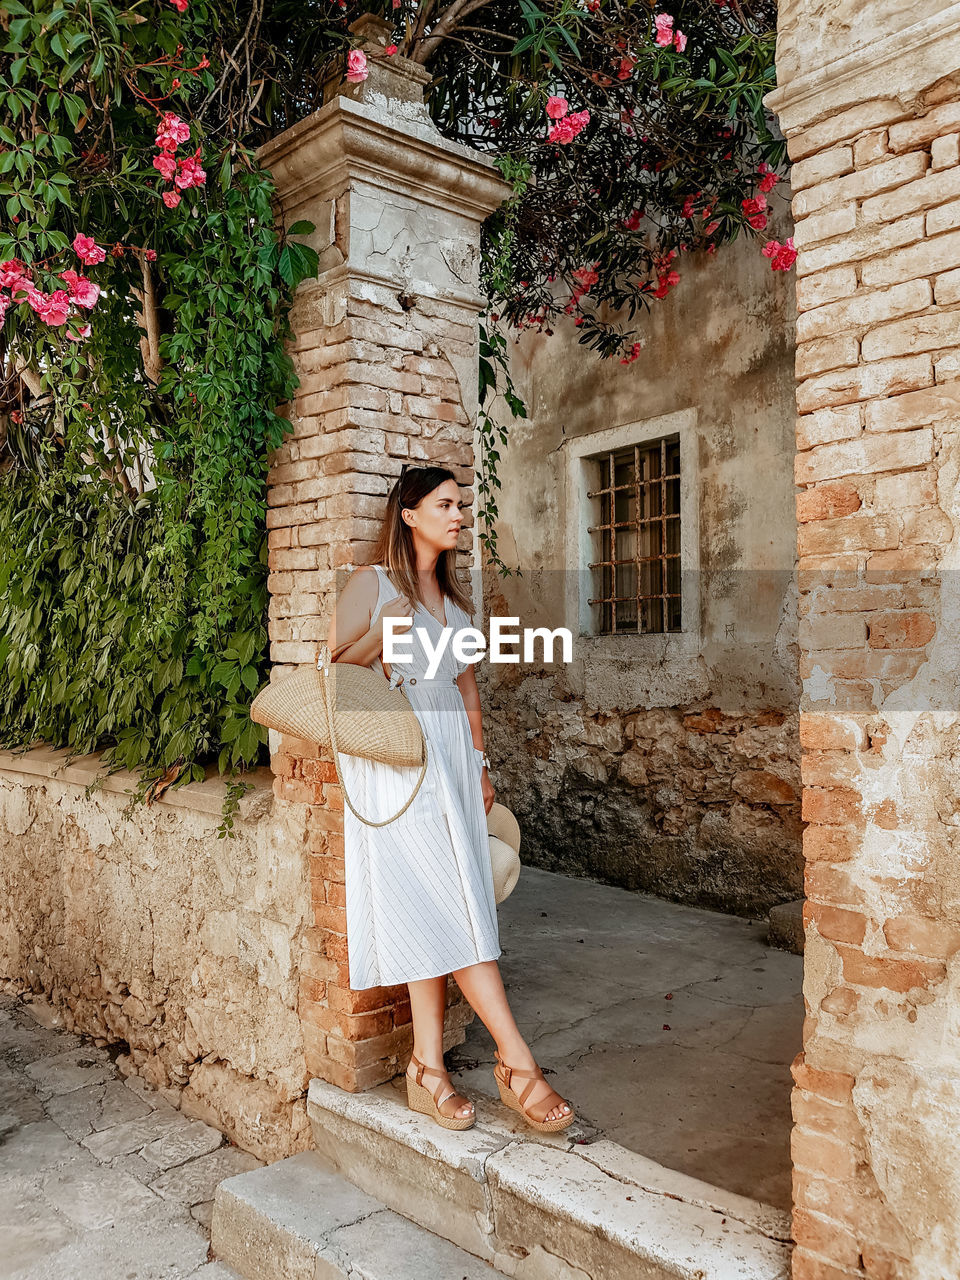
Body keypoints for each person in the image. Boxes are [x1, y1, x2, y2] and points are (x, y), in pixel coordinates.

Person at [326, 463, 575, 1134]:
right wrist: (387, 630)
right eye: (445, 504)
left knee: (448, 903)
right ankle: (517, 1062)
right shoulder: (371, 584)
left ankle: (427, 1068)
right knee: (455, 907)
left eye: (460, 505)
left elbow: (465, 690)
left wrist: (480, 763)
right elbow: (335, 673)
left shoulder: (459, 604)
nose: (459, 515)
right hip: (398, 763)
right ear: (408, 514)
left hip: (452, 767)